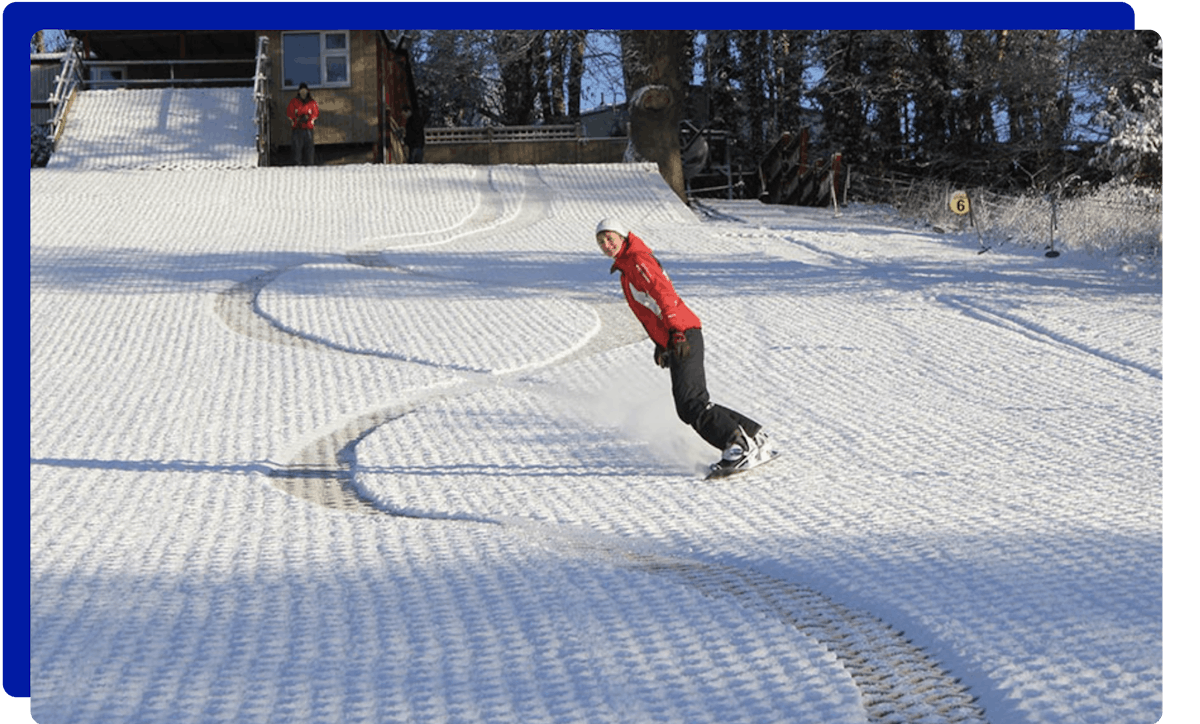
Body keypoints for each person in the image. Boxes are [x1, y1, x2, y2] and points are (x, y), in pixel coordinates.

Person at [595, 218, 771, 476]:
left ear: (623, 237)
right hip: (679, 333)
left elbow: (664, 294)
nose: (607, 245)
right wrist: (661, 342)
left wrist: (676, 332)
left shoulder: (637, 262)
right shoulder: (629, 264)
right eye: (601, 242)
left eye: (610, 238)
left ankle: (737, 446)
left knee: (690, 404)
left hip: (683, 332)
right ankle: (755, 437)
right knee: (696, 400)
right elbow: (650, 309)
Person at [286, 83, 319, 166]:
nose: (303, 93)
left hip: (308, 128)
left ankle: (310, 163)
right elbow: (289, 113)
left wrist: (310, 118)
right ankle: (297, 164)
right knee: (297, 147)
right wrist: (296, 118)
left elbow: (315, 113)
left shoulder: (312, 102)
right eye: (301, 91)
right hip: (297, 128)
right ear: (299, 92)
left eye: (305, 91)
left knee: (309, 147)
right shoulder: (294, 102)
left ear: (307, 92)